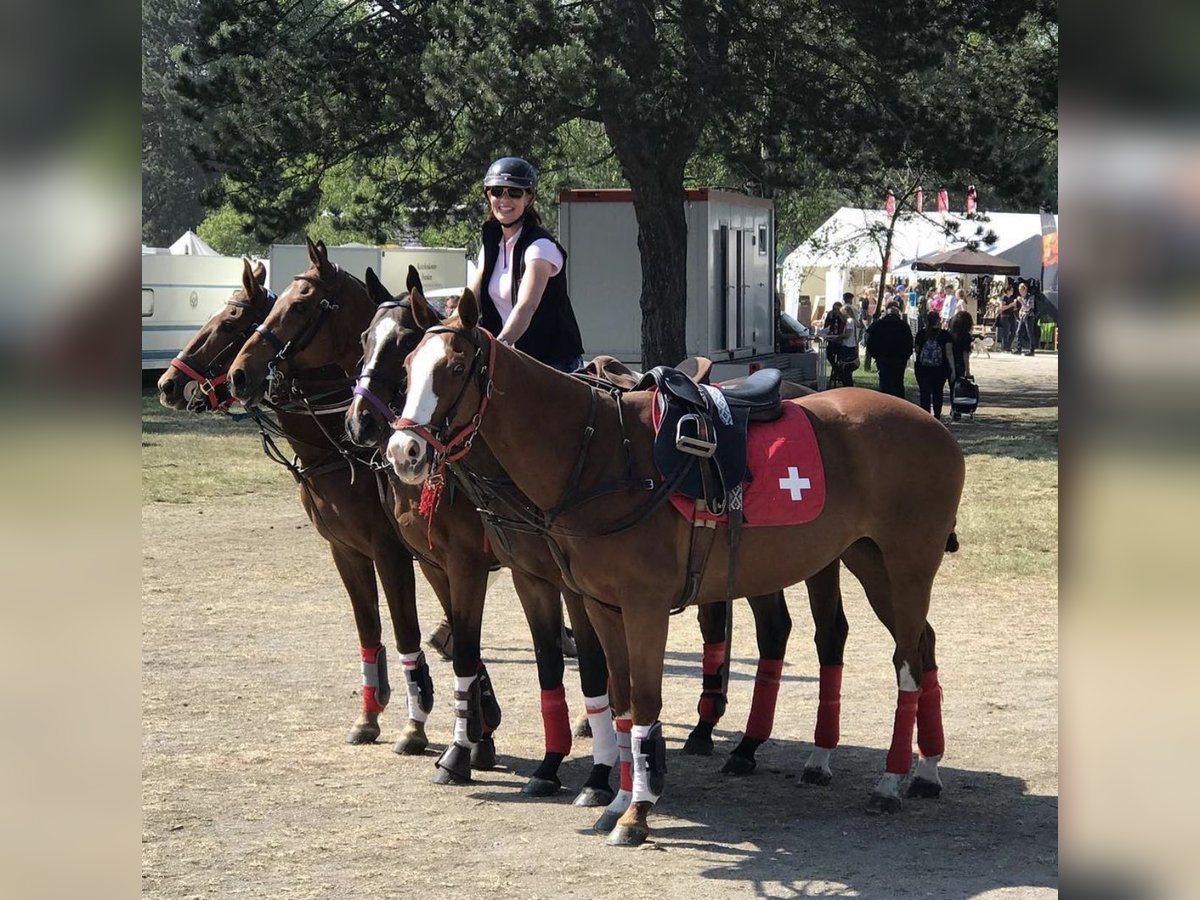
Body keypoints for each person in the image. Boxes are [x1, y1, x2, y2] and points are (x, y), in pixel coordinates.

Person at [466, 156, 585, 372]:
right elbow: (469, 300)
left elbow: (526, 306)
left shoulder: (540, 247)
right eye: (497, 191)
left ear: (528, 198)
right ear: (487, 196)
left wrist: (497, 349)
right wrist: (445, 331)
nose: (504, 199)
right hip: (512, 360)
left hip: (553, 365)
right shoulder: (491, 244)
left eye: (514, 192)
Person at [865, 301, 914, 398]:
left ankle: (885, 401)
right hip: (899, 359)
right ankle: (899, 402)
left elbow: (867, 335)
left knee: (884, 381)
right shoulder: (904, 326)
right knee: (898, 381)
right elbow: (909, 342)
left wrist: (873, 352)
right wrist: (906, 356)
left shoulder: (879, 324)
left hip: (883, 358)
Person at [913, 310, 953, 419]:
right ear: (938, 321)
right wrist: (952, 369)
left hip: (923, 368)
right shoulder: (945, 335)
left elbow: (917, 351)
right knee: (937, 392)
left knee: (924, 392)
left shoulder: (921, 334)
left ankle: (925, 415)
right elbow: (949, 353)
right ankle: (937, 415)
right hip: (940, 368)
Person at [947, 309, 975, 420]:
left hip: (948, 362)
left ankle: (953, 409)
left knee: (952, 386)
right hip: (959, 363)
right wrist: (968, 371)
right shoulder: (966, 337)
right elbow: (965, 355)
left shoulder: (949, 334)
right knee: (958, 387)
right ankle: (956, 409)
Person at [1014, 281, 1039, 356]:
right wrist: (1020, 312)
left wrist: (1021, 301)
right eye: (1019, 289)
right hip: (1023, 317)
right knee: (1018, 332)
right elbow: (1023, 308)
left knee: (1030, 333)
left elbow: (1028, 307)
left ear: (1025, 289)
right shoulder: (1022, 297)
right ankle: (1018, 348)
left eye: (1021, 289)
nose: (1020, 291)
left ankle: (1032, 350)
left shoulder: (1030, 297)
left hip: (1029, 317)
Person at [996, 284, 1019, 352]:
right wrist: (1011, 305)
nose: (1012, 291)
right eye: (1011, 290)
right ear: (1007, 291)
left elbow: (1013, 308)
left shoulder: (1012, 298)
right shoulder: (1004, 298)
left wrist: (1015, 307)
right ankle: (1004, 347)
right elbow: (1002, 308)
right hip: (1005, 316)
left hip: (1011, 316)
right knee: (1005, 332)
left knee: (1014, 331)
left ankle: (1008, 346)